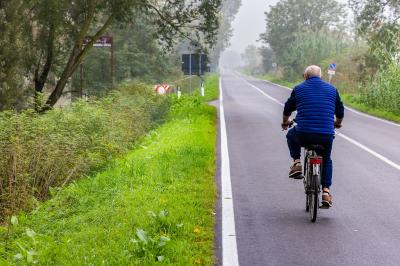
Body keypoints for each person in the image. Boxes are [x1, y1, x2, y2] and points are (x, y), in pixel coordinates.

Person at [281, 65, 344, 208]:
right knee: (326, 159)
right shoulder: (332, 90)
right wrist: (337, 123)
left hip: (304, 134)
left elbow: (288, 108)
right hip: (326, 136)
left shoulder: (298, 88)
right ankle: (326, 192)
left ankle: (297, 163)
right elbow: (340, 111)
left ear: (305, 76)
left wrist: (285, 122)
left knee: (291, 135)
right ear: (321, 76)